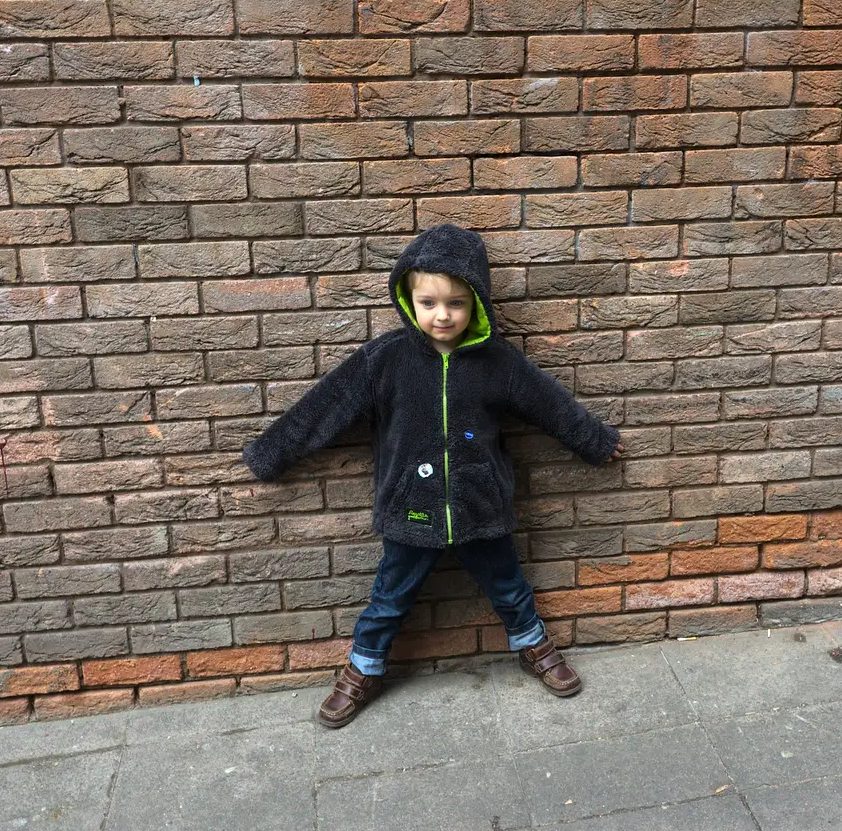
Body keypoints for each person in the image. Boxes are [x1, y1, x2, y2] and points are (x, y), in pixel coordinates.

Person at [242, 223, 625, 728]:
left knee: (510, 587)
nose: (442, 315)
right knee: (389, 598)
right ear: (408, 300)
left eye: (457, 303)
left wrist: (595, 440)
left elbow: (549, 404)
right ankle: (363, 668)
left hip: (480, 504)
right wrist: (270, 452)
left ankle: (534, 647)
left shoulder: (498, 363)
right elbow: (325, 406)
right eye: (428, 303)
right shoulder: (386, 360)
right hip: (411, 506)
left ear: (477, 303)